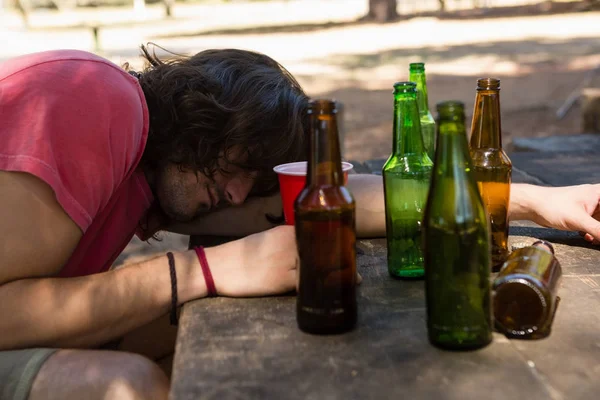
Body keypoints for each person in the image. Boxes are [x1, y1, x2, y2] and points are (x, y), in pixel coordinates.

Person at [2, 46, 600, 400]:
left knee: (189, 349)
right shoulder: (93, 99)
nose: (235, 193)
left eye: (250, 179)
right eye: (237, 165)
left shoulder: (161, 171)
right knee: (128, 382)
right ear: (202, 117)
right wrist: (201, 270)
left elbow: (328, 196)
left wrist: (529, 202)